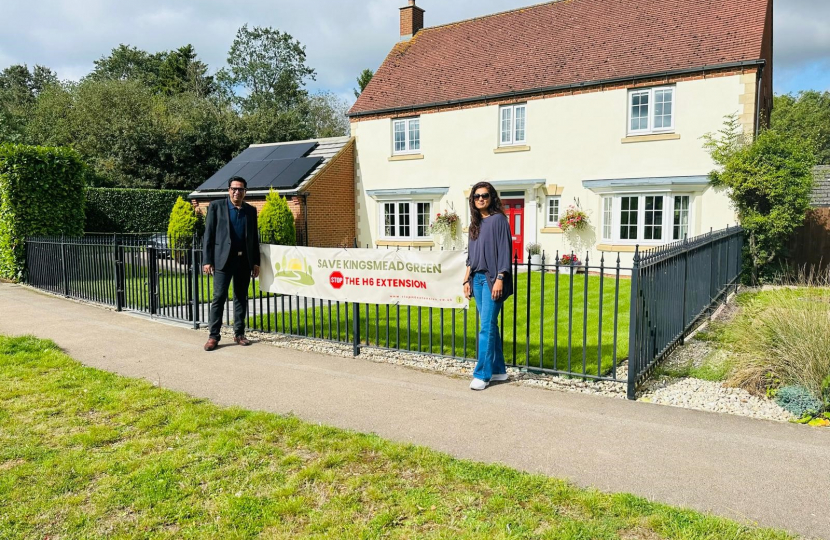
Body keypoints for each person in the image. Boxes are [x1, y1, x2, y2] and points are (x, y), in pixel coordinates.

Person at [463, 181, 514, 390]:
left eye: (484, 195)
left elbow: (505, 251)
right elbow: (471, 256)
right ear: (473, 200)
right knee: (490, 326)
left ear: (491, 197)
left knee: (485, 328)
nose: (481, 199)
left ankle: (483, 374)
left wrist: (501, 278)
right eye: (477, 196)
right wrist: (466, 280)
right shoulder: (475, 224)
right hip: (477, 279)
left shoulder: (499, 220)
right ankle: (499, 371)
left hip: (494, 279)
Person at [202, 176, 261, 351]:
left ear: (245, 192)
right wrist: (207, 260)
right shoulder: (216, 207)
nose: (237, 192)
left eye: (240, 189)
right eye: (234, 189)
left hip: (244, 261)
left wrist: (256, 262)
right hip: (223, 260)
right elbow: (209, 236)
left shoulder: (250, 211)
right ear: (229, 190)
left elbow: (254, 240)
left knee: (241, 298)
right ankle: (213, 336)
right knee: (219, 298)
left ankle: (239, 333)